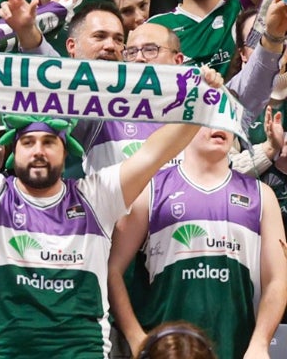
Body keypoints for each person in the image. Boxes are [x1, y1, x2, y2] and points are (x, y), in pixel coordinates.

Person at [0, 43, 225, 359]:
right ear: (12, 150)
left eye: (49, 142)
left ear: (66, 150)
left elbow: (155, 152)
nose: (38, 150)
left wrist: (201, 101)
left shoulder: (96, 197)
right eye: (28, 142)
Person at [108, 123, 287, 359]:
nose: (219, 124)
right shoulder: (150, 189)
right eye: (209, 116)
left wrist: (260, 344)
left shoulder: (261, 196)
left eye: (226, 117)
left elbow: (277, 279)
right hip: (165, 349)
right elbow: (113, 270)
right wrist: (136, 337)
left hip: (236, 348)